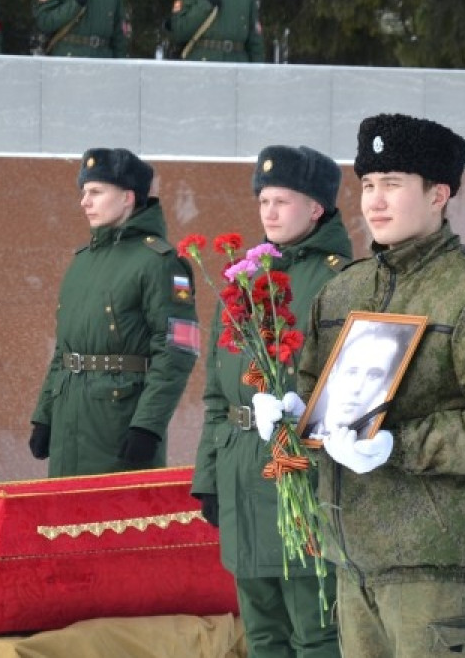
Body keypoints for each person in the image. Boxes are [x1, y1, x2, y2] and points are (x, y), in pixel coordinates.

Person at [255, 113, 465, 657]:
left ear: (439, 193)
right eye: (368, 185)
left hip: (433, 569)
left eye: (392, 184)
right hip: (352, 561)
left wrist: (398, 445)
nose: (374, 201)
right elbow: (323, 401)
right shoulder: (343, 292)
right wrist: (295, 416)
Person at [193, 145, 351, 658]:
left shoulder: (340, 279)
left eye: (282, 200)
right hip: (241, 472)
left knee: (314, 633)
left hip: (299, 475)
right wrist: (209, 478)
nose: (269, 211)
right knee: (261, 634)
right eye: (263, 200)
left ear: (316, 207)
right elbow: (217, 394)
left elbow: (352, 387)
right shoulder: (243, 278)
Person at [30, 148, 199, 478]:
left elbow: (178, 350)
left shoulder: (160, 262)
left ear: (127, 198)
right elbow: (64, 350)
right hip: (68, 421)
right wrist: (44, 415)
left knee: (114, 510)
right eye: (84, 193)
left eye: (96, 192)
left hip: (119, 423)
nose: (84, 202)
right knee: (66, 510)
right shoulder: (82, 262)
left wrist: (147, 425)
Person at [307, 320, 407, 437]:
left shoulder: (379, 441)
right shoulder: (299, 434)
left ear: (385, 385)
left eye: (373, 375)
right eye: (352, 372)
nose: (357, 388)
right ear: (332, 376)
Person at [164, 0, 263, 62]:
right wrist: (205, 5)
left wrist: (258, 73)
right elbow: (179, 31)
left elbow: (255, 43)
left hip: (237, 65)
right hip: (202, 63)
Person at [32, 0, 128, 58]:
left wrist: (120, 65)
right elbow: (44, 21)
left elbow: (119, 33)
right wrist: (74, 5)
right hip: (68, 59)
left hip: (102, 59)